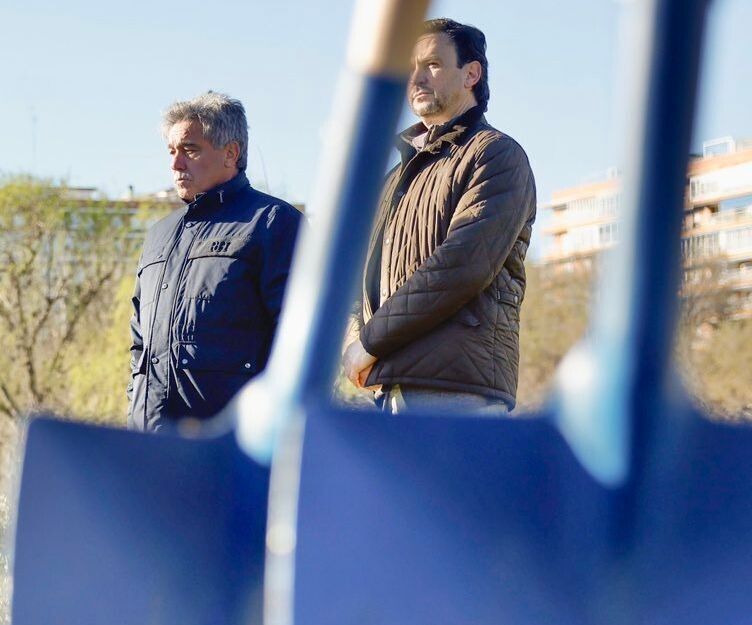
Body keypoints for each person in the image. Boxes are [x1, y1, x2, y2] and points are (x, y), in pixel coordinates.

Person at [342, 18, 536, 414]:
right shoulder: (391, 179)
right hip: (385, 390)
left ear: (471, 74)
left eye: (432, 64)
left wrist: (370, 343)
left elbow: (461, 266)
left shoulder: (496, 155)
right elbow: (355, 277)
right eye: (411, 66)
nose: (417, 77)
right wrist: (353, 342)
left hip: (458, 394)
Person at [128, 92, 302, 432]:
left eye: (190, 150)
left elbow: (297, 341)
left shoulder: (274, 223)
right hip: (150, 441)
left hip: (230, 446)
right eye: (171, 151)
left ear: (231, 153)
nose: (176, 164)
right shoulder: (158, 236)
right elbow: (139, 345)